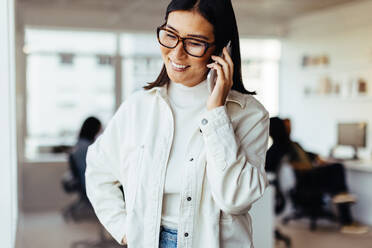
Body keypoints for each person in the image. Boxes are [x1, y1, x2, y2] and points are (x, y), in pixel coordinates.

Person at [85, 0, 270, 247]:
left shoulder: (250, 115)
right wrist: (124, 229)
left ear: (223, 48)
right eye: (170, 35)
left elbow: (235, 200)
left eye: (194, 42)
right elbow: (98, 171)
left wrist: (216, 114)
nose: (176, 53)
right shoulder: (138, 107)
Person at [266, 117, 368, 234]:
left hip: (311, 176)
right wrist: (298, 166)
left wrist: (317, 158)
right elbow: (271, 170)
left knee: (337, 181)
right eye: (287, 126)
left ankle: (344, 206)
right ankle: (346, 217)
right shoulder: (276, 150)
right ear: (280, 129)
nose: (290, 128)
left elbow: (309, 154)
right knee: (337, 169)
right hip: (304, 182)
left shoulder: (293, 144)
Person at [70, 116, 102, 195]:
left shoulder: (80, 144)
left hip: (86, 182)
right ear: (94, 130)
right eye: (100, 131)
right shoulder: (87, 148)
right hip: (90, 184)